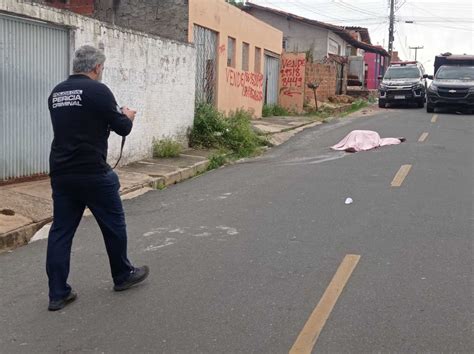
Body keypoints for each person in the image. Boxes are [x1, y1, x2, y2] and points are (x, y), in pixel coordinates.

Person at [46, 45, 149, 311]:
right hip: (92, 171)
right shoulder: (98, 90)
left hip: (61, 171)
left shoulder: (56, 93)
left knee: (61, 231)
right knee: (113, 224)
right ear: (96, 67)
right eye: (101, 68)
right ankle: (122, 275)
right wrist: (126, 115)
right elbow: (121, 127)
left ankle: (58, 293)